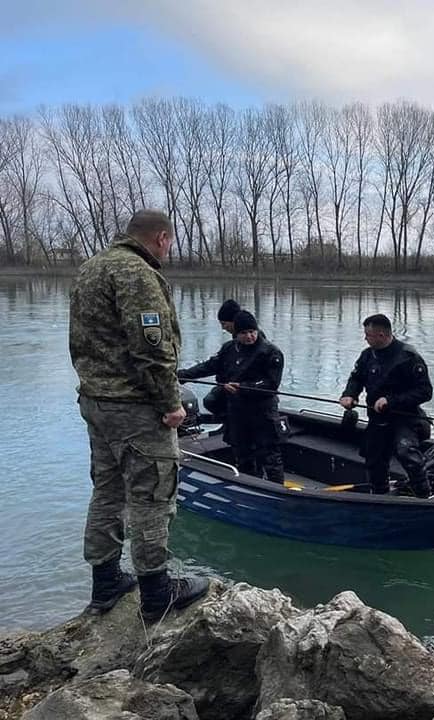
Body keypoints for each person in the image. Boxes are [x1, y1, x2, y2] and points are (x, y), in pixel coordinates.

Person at [69, 209, 209, 623]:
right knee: (152, 497)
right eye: (170, 242)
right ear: (162, 237)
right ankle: (156, 592)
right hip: (135, 409)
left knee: (107, 493)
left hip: (97, 402)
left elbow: (81, 341)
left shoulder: (90, 268)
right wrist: (171, 404)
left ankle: (106, 584)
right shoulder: (138, 274)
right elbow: (151, 350)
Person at [179, 310, 286, 483]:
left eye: (252, 332)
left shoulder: (270, 352)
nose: (249, 336)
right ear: (236, 334)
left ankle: (277, 488)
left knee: (270, 454)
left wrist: (243, 387)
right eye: (244, 333)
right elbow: (210, 366)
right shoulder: (229, 349)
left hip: (262, 409)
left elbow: (271, 384)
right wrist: (183, 375)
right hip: (237, 410)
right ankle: (248, 482)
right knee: (242, 451)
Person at [339, 314, 433, 497]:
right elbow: (357, 378)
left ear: (381, 335)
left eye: (368, 335)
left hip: (404, 417)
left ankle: (424, 495)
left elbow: (425, 391)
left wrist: (391, 401)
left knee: (406, 453)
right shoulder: (367, 355)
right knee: (373, 458)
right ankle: (379, 495)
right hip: (378, 419)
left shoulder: (408, 357)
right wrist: (349, 395)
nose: (365, 338)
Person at [199, 298, 243, 420]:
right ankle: (228, 422)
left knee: (211, 400)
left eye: (224, 324)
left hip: (241, 389)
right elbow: (215, 364)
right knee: (211, 400)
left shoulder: (246, 343)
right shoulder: (232, 344)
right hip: (229, 385)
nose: (223, 328)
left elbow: (213, 365)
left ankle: (230, 422)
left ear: (233, 321)